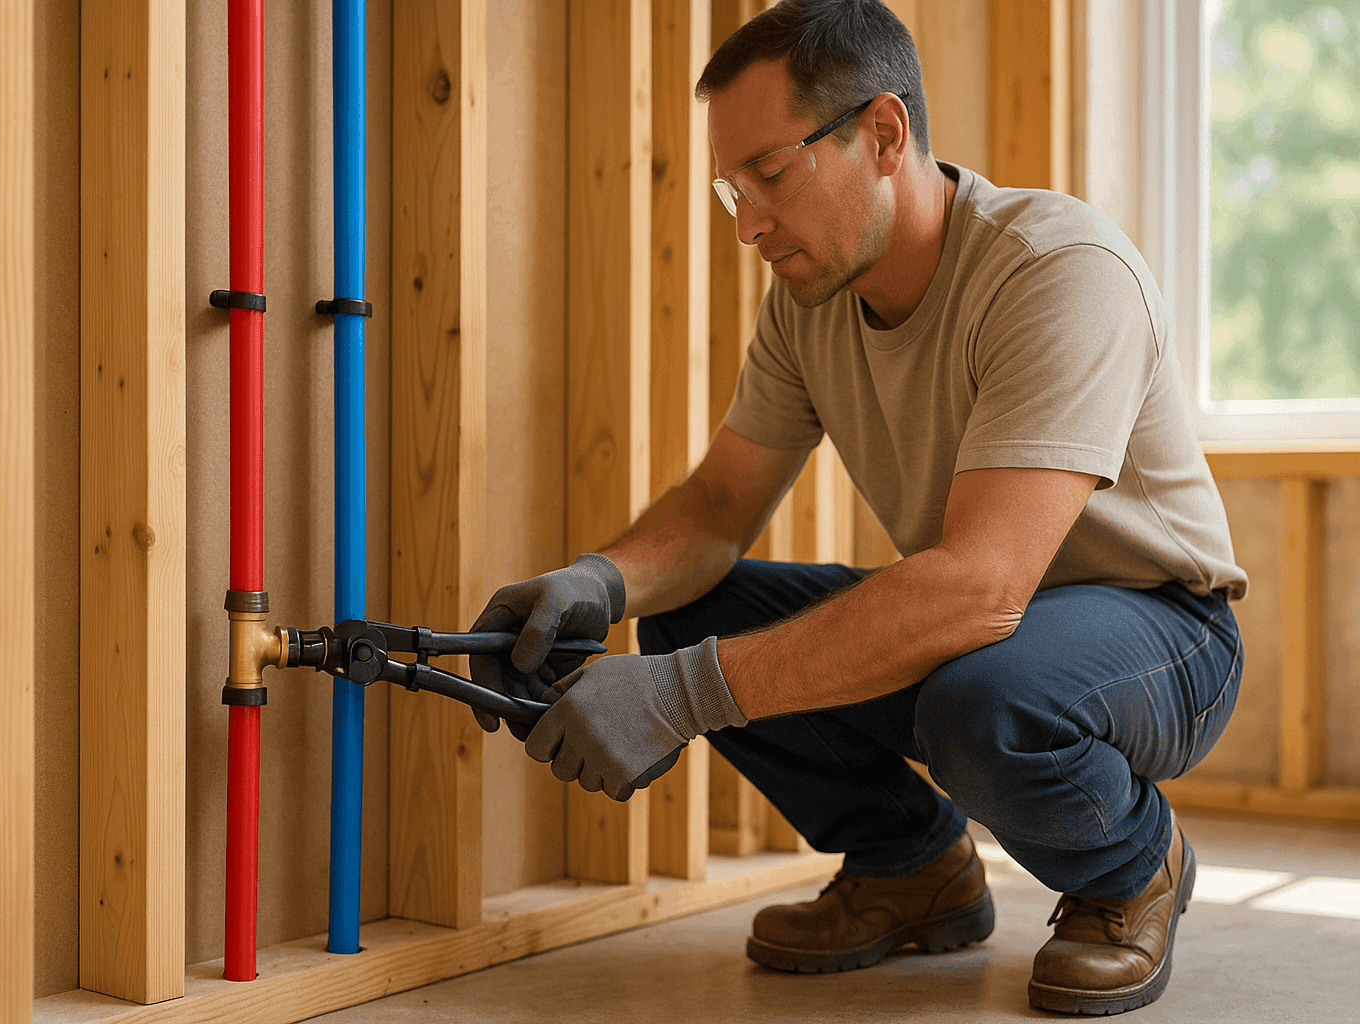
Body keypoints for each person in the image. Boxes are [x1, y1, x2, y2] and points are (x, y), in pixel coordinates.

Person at [468, 0, 1246, 1015]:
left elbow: (978, 588)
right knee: (690, 616)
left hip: (1163, 630)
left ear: (883, 133)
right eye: (731, 187)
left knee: (982, 700)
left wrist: (679, 697)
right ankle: (912, 866)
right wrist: (597, 581)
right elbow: (718, 505)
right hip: (985, 626)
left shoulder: (1056, 271)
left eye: (771, 174)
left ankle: (1134, 863)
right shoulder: (810, 303)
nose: (747, 223)